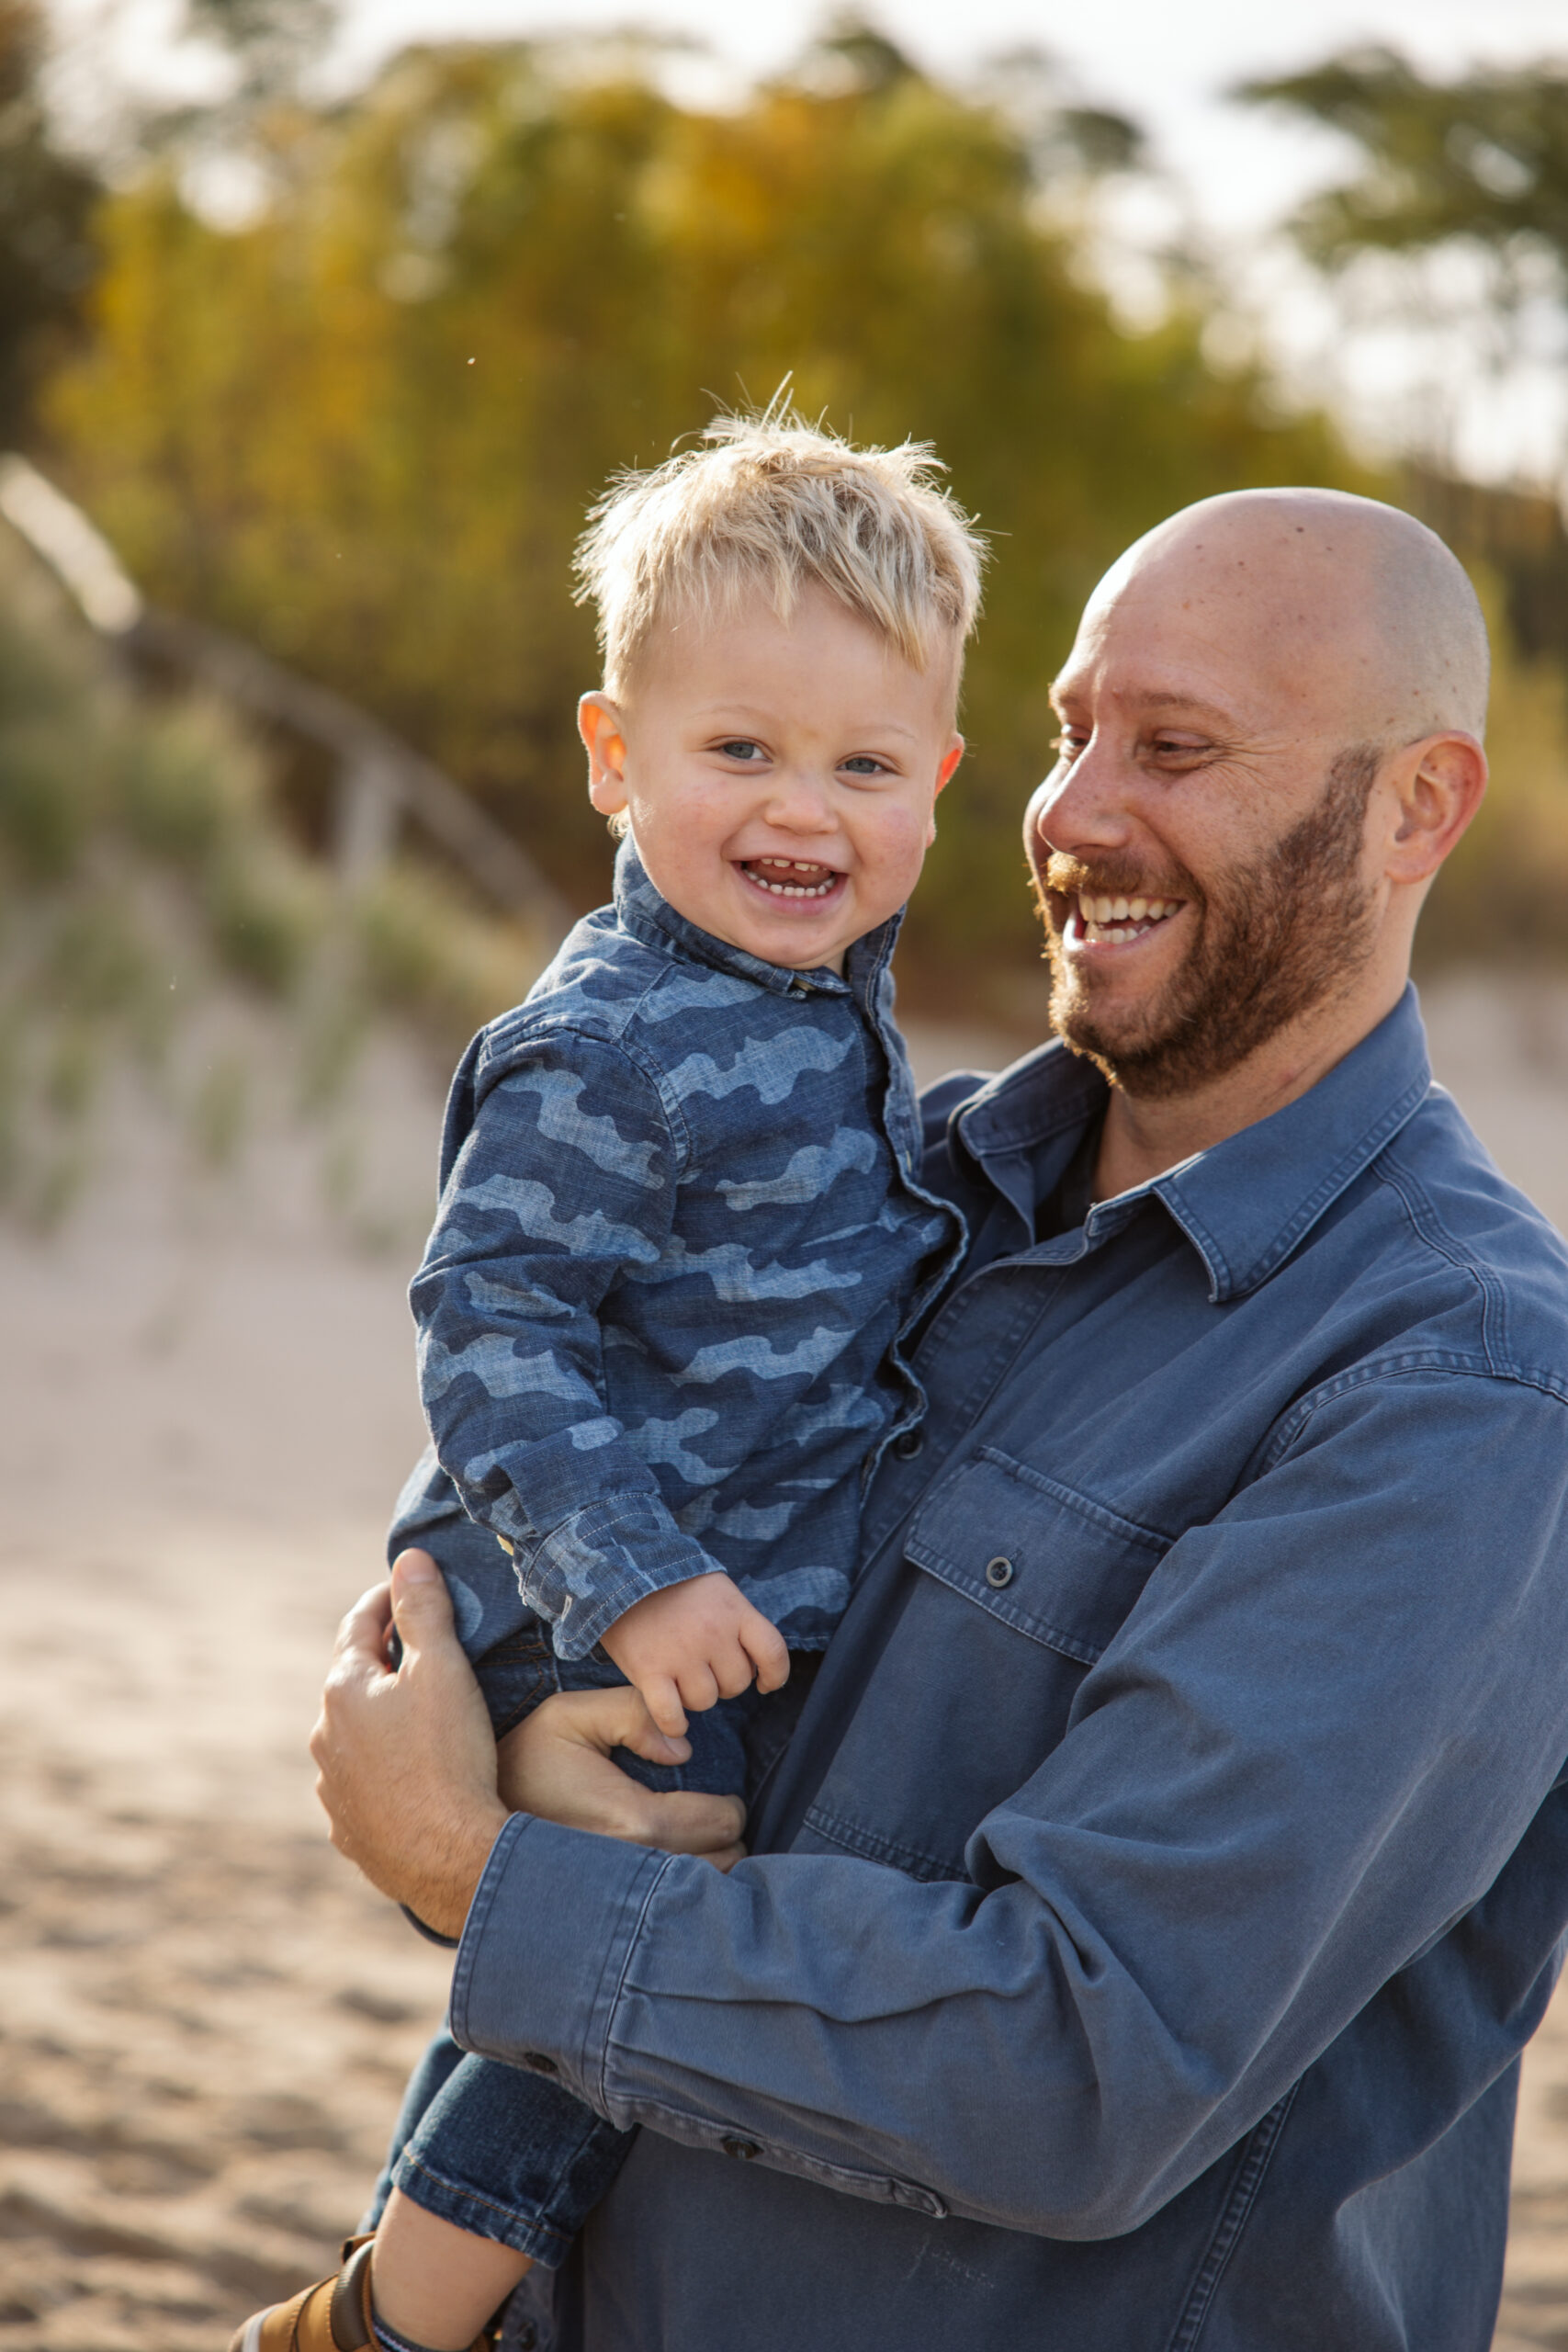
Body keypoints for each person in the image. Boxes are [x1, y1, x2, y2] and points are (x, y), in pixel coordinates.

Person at [310, 487, 1568, 2352]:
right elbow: (529, 1462)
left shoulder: (1456, 1385)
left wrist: (478, 1873)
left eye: (1174, 748)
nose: (1069, 811)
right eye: (1069, 733)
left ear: (1415, 807)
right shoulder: (894, 1188)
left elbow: (1077, 2061)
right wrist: (507, 1768)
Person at [232, 414, 984, 2352]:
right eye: (737, 749)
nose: (798, 809)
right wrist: (628, 1579)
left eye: (861, 763)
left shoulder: (815, 990)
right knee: (598, 1989)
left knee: (555, 1966)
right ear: (612, 755)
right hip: (579, 1590)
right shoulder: (612, 1043)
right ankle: (387, 2322)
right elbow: (491, 1326)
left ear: (937, 788)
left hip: (679, 1589)